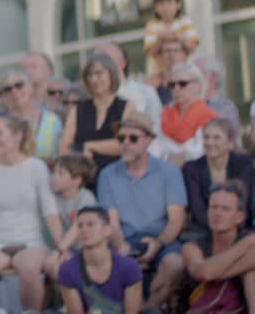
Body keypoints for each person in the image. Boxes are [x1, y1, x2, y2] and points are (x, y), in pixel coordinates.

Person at [0, 113, 64, 312]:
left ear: (17, 136)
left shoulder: (36, 168)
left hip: (31, 241)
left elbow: (50, 213)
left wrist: (62, 248)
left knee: (29, 268)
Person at [96, 110, 187, 311]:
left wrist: (159, 243)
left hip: (162, 240)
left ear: (149, 140)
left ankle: (145, 309)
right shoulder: (108, 175)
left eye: (133, 138)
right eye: (121, 138)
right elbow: (111, 222)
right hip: (124, 240)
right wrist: (122, 246)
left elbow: (176, 220)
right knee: (107, 263)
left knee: (175, 265)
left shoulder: (169, 172)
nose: (126, 142)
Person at [182, 181, 255, 311]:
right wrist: (245, 245)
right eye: (213, 207)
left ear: (239, 217)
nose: (218, 213)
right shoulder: (192, 246)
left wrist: (218, 272)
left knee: (251, 271)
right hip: (204, 310)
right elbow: (204, 272)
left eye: (225, 209)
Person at [57, 206, 144, 314]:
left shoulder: (129, 267)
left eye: (90, 224)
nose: (84, 230)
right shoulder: (67, 270)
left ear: (107, 230)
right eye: (80, 226)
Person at [182, 118, 255, 239]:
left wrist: (229, 230)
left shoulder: (243, 163)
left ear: (230, 143)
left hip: (239, 228)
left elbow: (244, 203)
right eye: (206, 137)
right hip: (203, 230)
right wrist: (219, 229)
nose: (210, 142)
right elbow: (197, 209)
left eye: (216, 138)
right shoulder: (191, 168)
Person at [61, 53, 131, 177]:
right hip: (83, 179)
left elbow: (127, 144)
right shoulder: (77, 110)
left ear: (111, 74)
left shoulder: (127, 106)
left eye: (99, 73)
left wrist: (90, 146)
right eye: (89, 75)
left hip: (119, 176)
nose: (93, 79)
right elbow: (64, 148)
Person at [152, 60, 218, 165]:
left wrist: (168, 155)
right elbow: (152, 150)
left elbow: (200, 152)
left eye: (182, 83)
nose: (176, 89)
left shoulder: (210, 118)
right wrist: (170, 156)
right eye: (172, 85)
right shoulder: (163, 115)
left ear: (199, 85)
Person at [43, 154, 97, 281]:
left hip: (84, 250)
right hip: (62, 247)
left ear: (76, 180)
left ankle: (74, 299)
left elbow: (77, 228)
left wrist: (60, 250)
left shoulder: (86, 199)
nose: (53, 177)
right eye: (53, 172)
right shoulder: (54, 197)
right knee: (52, 266)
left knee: (61, 267)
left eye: (60, 174)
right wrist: (61, 250)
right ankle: (63, 299)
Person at [96, 42, 163, 131]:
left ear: (123, 64)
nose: (103, 65)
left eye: (108, 60)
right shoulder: (90, 98)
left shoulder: (146, 92)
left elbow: (158, 127)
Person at [1, 69, 63, 161]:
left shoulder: (52, 120)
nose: (14, 91)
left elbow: (61, 156)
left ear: (31, 87)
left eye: (19, 85)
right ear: (4, 95)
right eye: (8, 89)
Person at [144, 0, 199, 84]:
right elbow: (151, 51)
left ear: (178, 5)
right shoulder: (152, 25)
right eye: (161, 4)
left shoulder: (185, 22)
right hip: (160, 73)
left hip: (184, 70)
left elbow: (193, 47)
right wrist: (160, 40)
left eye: (169, 3)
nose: (166, 8)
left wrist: (180, 38)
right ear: (155, 8)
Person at [194, 52, 241, 129]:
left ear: (213, 77)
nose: (191, 78)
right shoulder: (186, 104)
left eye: (197, 74)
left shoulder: (226, 107)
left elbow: (229, 137)